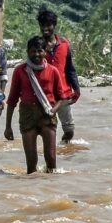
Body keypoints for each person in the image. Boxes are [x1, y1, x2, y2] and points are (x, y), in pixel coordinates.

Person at [5, 36, 65, 174]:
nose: (36, 54)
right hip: (27, 114)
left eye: (40, 51)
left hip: (47, 114)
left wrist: (53, 110)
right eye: (33, 51)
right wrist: (8, 127)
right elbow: (12, 100)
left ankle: (50, 188)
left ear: (45, 52)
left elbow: (61, 98)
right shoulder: (20, 71)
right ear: (27, 51)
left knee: (51, 160)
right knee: (31, 164)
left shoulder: (52, 71)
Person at [38, 8, 81, 144]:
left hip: (63, 94)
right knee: (48, 129)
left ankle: (62, 149)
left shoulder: (64, 45)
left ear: (54, 25)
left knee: (69, 130)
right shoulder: (37, 46)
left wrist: (77, 89)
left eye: (49, 25)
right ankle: (50, 154)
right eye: (43, 25)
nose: (46, 28)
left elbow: (70, 69)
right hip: (43, 94)